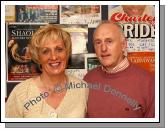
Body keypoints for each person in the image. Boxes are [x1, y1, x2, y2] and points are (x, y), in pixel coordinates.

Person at [6, 24, 88, 118]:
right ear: (38, 57)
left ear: (67, 52)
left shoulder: (82, 89)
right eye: (46, 51)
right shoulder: (20, 93)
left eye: (59, 49)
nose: (53, 57)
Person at [84, 21, 155, 118]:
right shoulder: (88, 79)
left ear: (123, 45)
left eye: (109, 41)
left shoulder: (149, 82)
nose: (103, 48)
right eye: (98, 42)